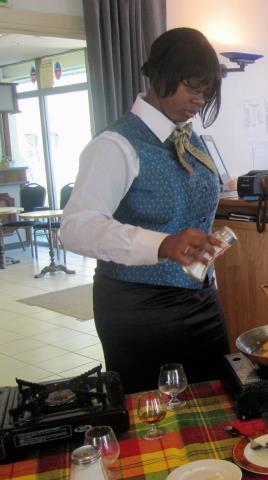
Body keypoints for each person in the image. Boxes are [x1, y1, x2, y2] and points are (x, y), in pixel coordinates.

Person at [60, 27, 230, 393]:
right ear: (158, 76)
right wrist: (162, 244)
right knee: (152, 416)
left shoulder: (191, 137)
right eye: (191, 88)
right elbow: (76, 227)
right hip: (138, 306)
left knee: (216, 402)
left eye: (205, 92)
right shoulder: (116, 145)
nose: (198, 101)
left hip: (201, 299)